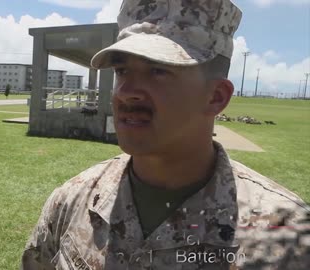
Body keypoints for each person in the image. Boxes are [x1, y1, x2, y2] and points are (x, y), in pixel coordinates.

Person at [21, 0, 310, 269]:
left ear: (216, 97)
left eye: (158, 70)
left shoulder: (288, 234)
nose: (127, 92)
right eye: (122, 70)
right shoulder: (73, 200)